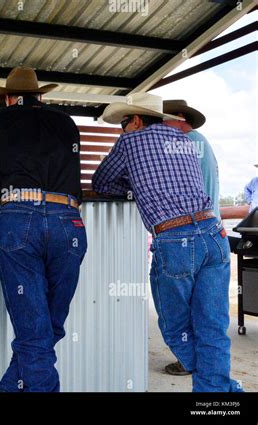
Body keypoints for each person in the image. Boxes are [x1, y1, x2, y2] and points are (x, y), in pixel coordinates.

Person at [92, 92, 242, 392]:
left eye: (123, 124)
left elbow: (101, 182)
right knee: (212, 328)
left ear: (135, 120)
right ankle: (219, 393)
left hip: (175, 240)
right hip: (213, 234)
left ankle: (220, 389)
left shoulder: (130, 142)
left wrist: (132, 184)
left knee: (176, 330)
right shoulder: (185, 142)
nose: (122, 131)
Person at [0, 67, 87, 392]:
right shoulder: (66, 122)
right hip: (69, 223)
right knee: (46, 331)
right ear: (42, 96)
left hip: (20, 221)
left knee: (36, 335)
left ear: (7, 98)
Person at [162, 99, 219, 376]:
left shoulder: (180, 143)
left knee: (173, 306)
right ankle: (207, 366)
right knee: (206, 309)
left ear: (177, 118)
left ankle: (188, 360)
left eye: (160, 121)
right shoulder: (201, 142)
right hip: (213, 232)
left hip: (187, 234)